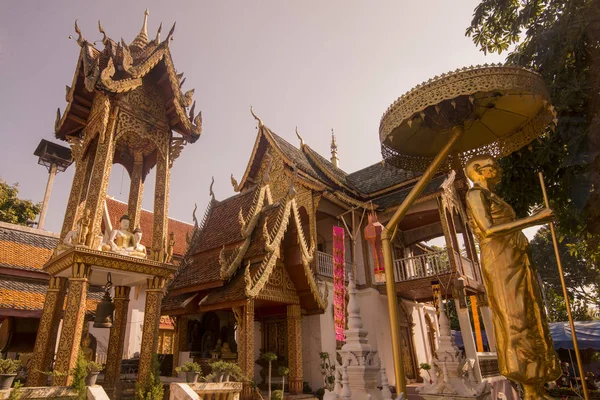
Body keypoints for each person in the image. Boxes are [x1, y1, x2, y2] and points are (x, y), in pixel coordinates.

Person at [464, 155, 561, 400]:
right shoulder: (475, 195)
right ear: (478, 171)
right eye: (491, 166)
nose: (498, 169)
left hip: (514, 255)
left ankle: (536, 386)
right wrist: (534, 220)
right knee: (514, 315)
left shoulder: (494, 197)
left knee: (530, 312)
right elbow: (486, 229)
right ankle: (527, 383)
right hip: (499, 258)